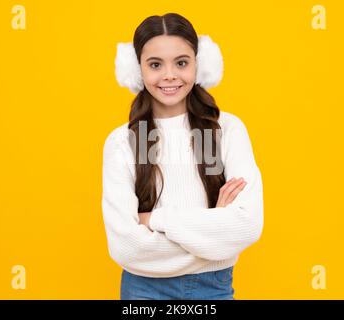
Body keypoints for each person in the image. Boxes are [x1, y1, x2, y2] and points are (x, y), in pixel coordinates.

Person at [102, 12, 264, 300]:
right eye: (155, 64)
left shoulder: (227, 130)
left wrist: (154, 220)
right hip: (144, 292)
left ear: (199, 66)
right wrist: (214, 226)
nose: (169, 75)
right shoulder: (121, 143)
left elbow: (247, 226)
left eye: (181, 62)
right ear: (136, 70)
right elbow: (126, 247)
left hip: (214, 290)